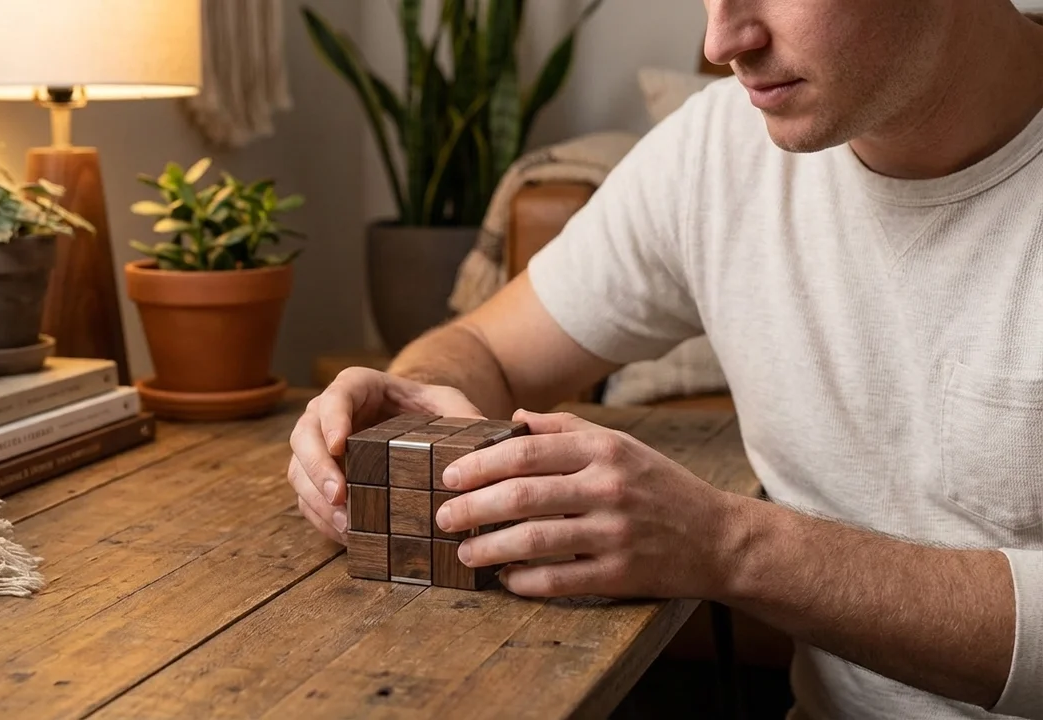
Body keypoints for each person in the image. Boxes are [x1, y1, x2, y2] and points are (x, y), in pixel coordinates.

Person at [287, 1, 1043, 718]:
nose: (722, 43)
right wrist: (413, 408)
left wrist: (727, 545)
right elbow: (480, 346)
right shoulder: (718, 150)